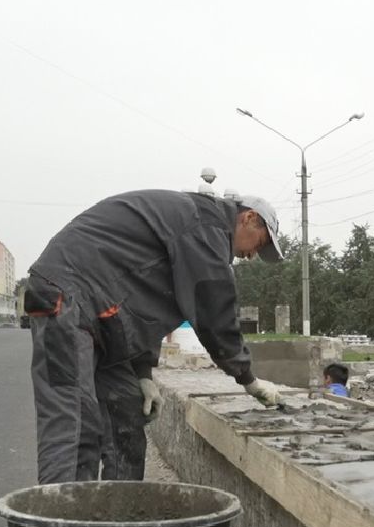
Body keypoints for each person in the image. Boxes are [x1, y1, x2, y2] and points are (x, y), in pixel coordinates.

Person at [24, 190, 287, 484]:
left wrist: (143, 373)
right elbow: (213, 309)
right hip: (67, 297)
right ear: (249, 218)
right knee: (73, 427)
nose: (251, 255)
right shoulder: (204, 226)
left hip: (99, 313)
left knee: (126, 418)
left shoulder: (191, 230)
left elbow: (142, 307)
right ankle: (59, 523)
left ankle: (120, 517)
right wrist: (248, 379)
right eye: (259, 244)